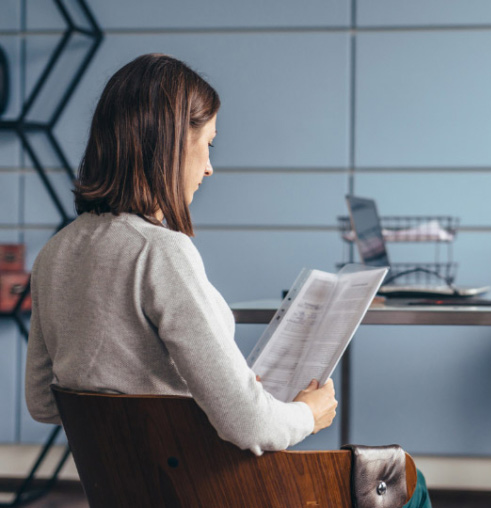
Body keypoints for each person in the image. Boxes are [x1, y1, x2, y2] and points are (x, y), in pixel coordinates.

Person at [24, 53, 430, 507]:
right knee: (405, 480)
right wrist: (307, 414)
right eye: (209, 145)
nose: (210, 168)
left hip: (131, 491)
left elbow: (44, 402)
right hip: (214, 489)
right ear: (174, 143)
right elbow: (250, 427)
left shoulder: (54, 253)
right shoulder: (160, 252)